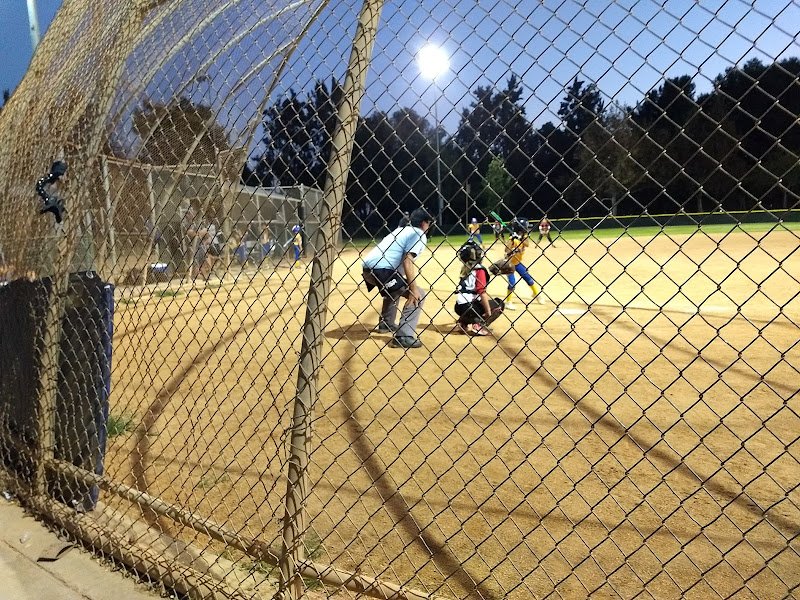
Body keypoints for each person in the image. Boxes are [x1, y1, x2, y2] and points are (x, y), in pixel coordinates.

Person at [362, 207, 433, 349]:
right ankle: (404, 336)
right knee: (418, 294)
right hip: (382, 270)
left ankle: (386, 323)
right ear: (424, 223)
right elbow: (408, 261)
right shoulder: (418, 234)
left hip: (368, 270)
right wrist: (413, 289)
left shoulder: (400, 230)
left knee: (395, 288)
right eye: (429, 223)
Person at [454, 240, 504, 336]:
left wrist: (490, 273)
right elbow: (481, 292)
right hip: (470, 308)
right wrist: (488, 312)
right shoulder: (480, 270)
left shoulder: (465, 268)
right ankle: (478, 325)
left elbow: (472, 283)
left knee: (473, 303)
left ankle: (463, 323)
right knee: (499, 304)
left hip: (459, 307)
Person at [502, 219, 543, 310]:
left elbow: (527, 244)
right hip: (510, 264)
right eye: (525, 228)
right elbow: (506, 250)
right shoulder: (512, 239)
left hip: (517, 263)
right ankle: (508, 302)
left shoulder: (524, 237)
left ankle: (536, 294)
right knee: (512, 283)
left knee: (528, 278)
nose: (527, 229)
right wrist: (513, 239)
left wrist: (520, 238)